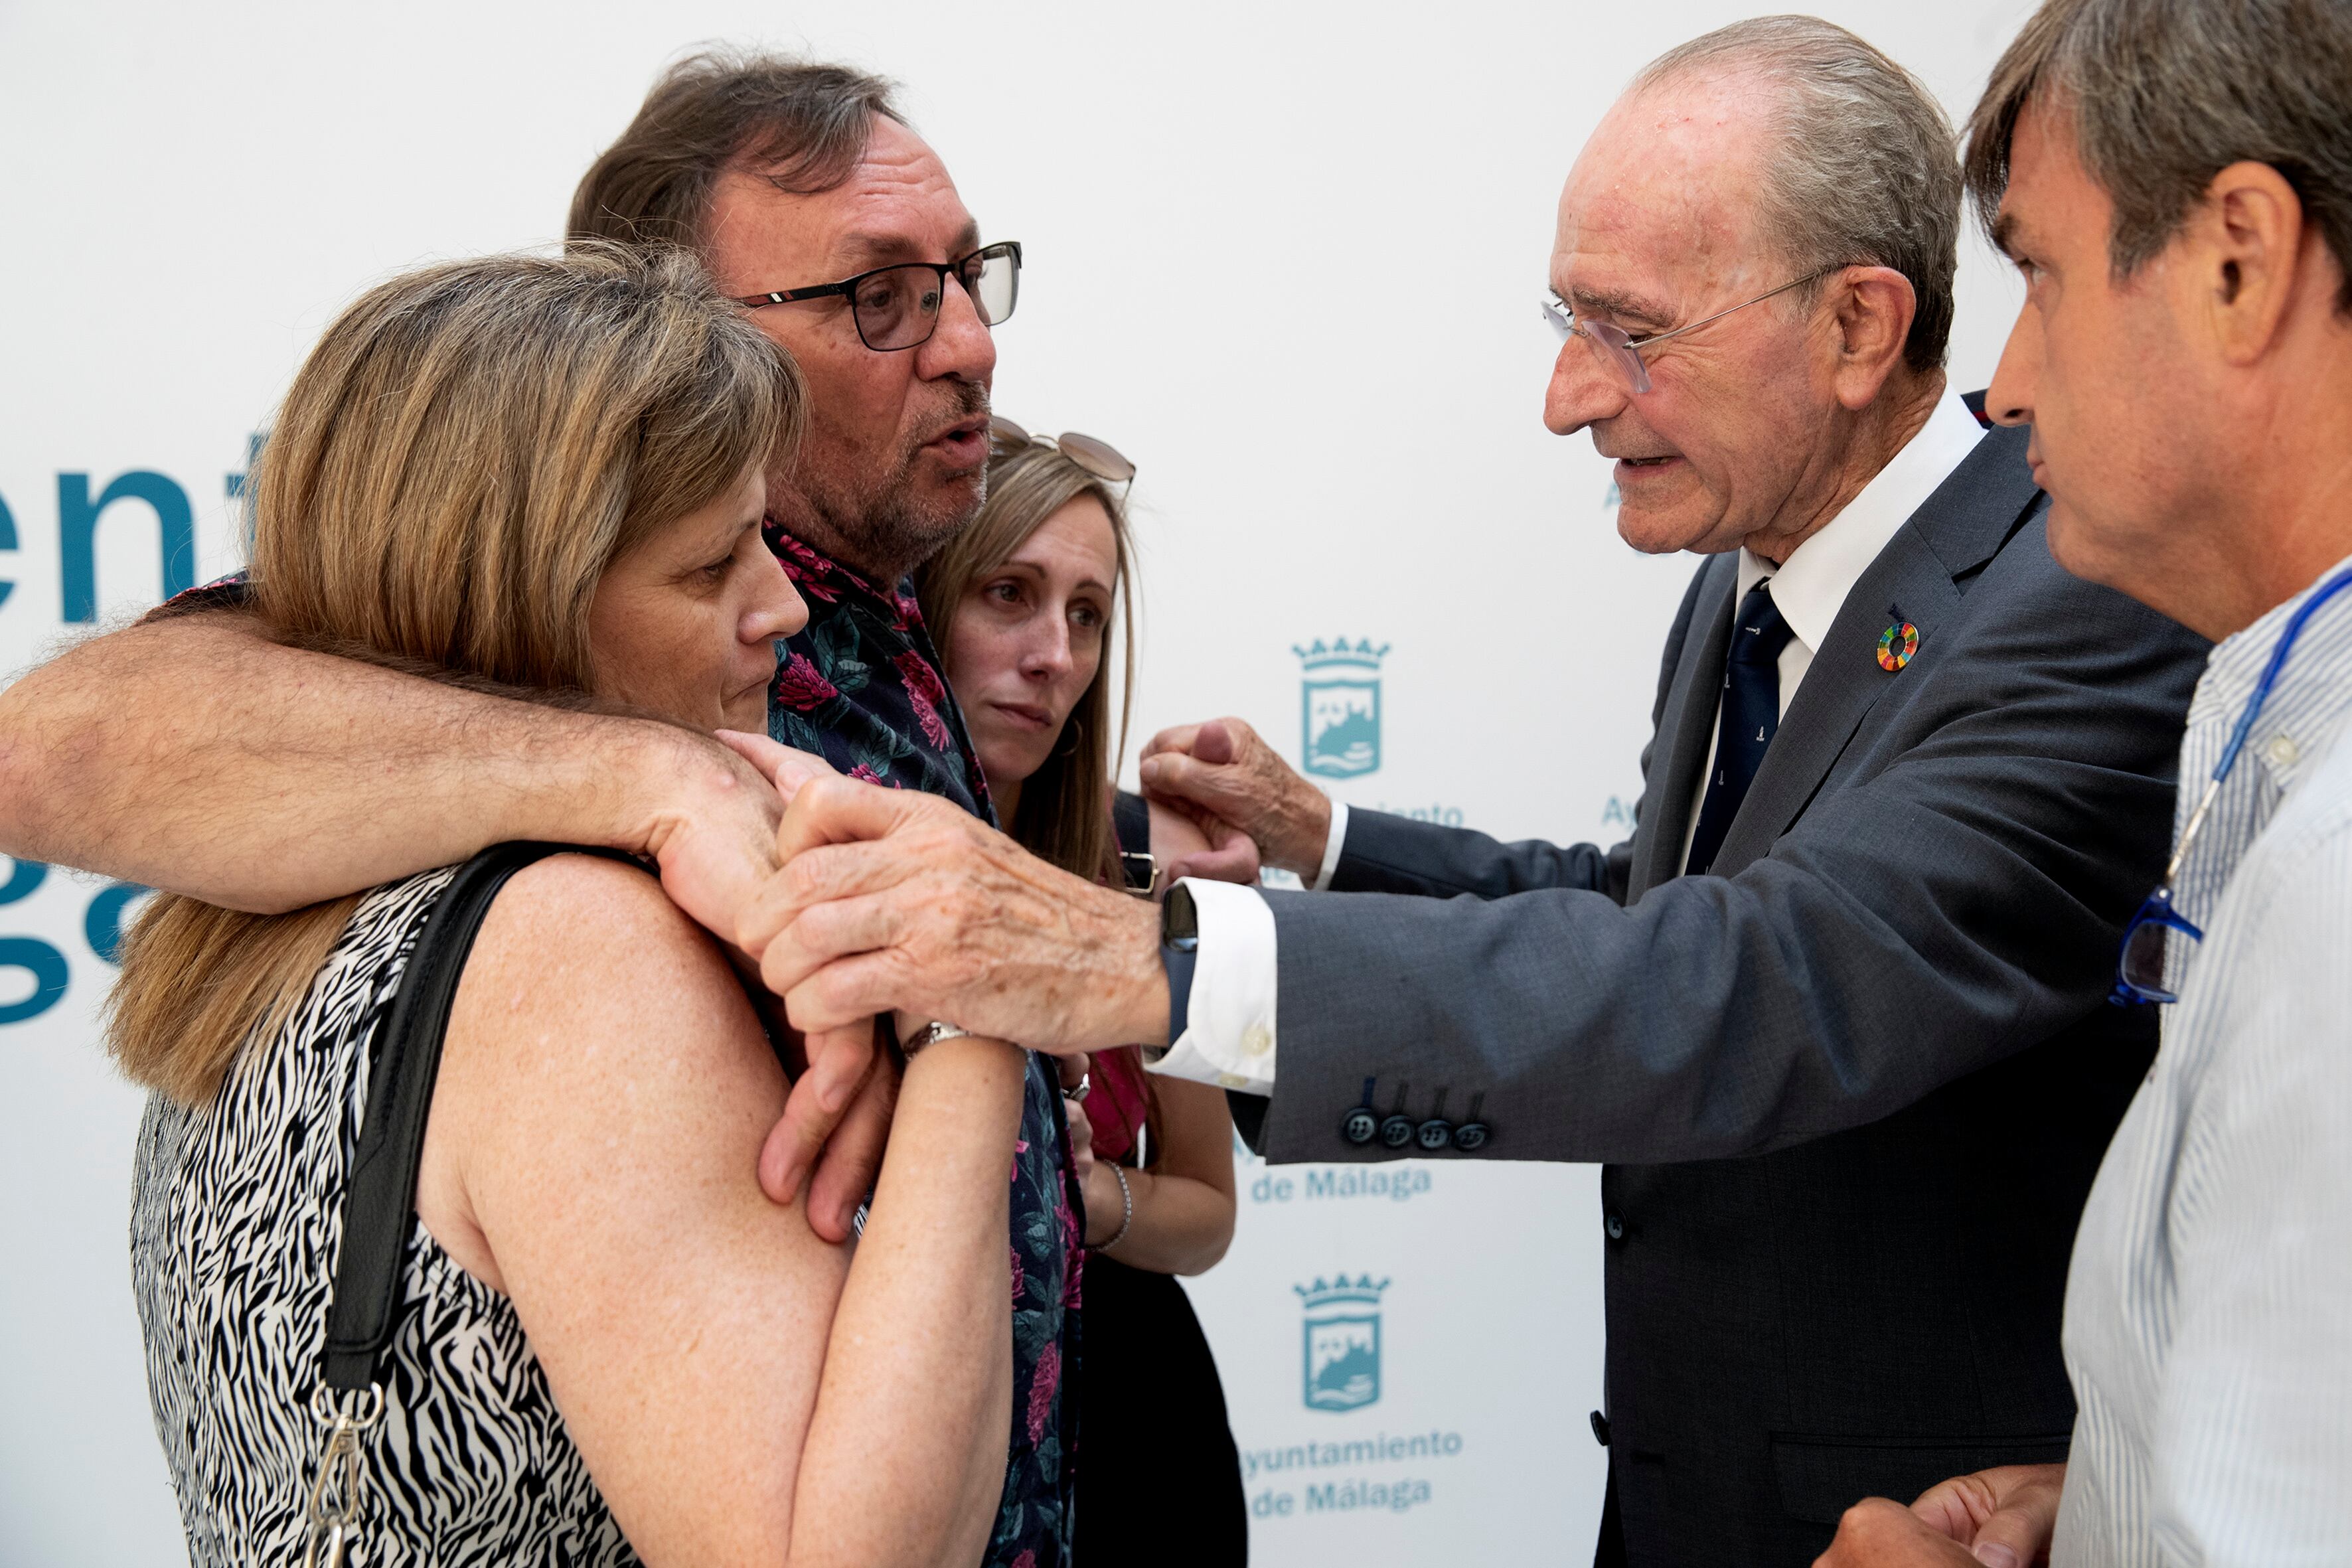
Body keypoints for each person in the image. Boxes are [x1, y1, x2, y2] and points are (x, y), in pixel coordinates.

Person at [731, 19, 2215, 1565]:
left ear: (1854, 327)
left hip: (1924, 1523)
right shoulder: (1741, 584)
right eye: (1565, 318)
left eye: (1628, 330)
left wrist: (1130, 958)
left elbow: (1756, 976)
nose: (1567, 398)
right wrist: (1330, 838)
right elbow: (1661, 908)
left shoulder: (2079, 594)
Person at [0, 51, 1081, 1565]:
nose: (965, 338)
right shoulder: (537, 897)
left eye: (968, 276)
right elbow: (50, 746)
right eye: (876, 295)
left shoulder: (913, 614)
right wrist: (960, 980)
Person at [1816, 1, 2352, 1564]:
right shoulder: (2268, 721)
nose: (2002, 381)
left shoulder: (2340, 862)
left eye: (2038, 275)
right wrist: (2113, 1502)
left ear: (2236, 260)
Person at [915, 418, 1247, 1563]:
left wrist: (1090, 1199)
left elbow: (1206, 1205)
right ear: (919, 604)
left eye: (1087, 612)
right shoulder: (830, 874)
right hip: (915, 1438)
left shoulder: (1140, 872)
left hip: (1139, 1437)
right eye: (1010, 594)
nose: (1055, 653)